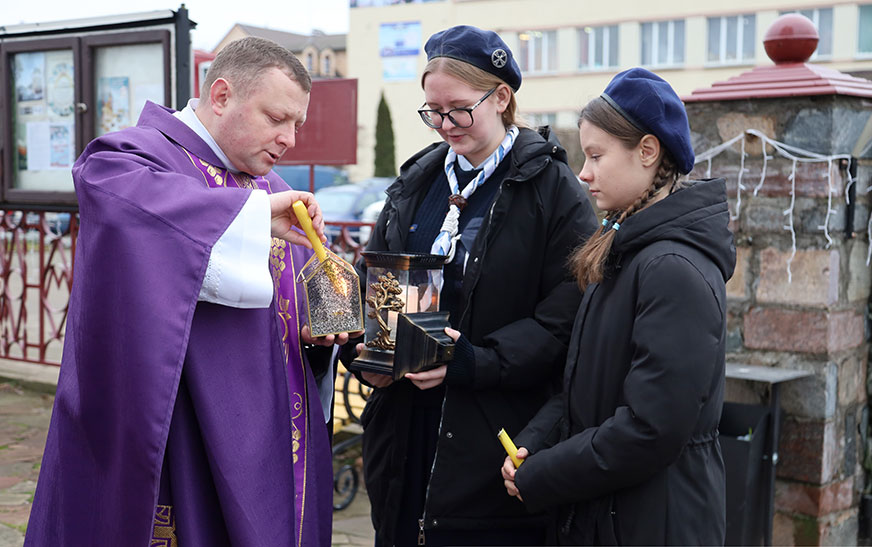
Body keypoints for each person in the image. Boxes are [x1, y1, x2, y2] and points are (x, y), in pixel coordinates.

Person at [25, 37, 347, 547]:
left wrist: (320, 336)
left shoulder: (269, 188)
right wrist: (252, 218)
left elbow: (291, 303)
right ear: (221, 96)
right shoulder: (128, 158)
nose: (289, 139)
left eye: (297, 125)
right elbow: (132, 222)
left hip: (268, 437)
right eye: (276, 118)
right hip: (180, 432)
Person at [342, 25, 598, 546]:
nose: (443, 125)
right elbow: (377, 284)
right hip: (404, 438)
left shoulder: (554, 191)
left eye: (457, 109)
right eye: (432, 111)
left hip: (491, 439)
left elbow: (566, 319)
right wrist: (368, 354)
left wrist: (473, 363)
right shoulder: (417, 182)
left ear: (502, 97)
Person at [501, 67, 735, 545]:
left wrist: (544, 475)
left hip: (655, 522)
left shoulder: (672, 269)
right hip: (611, 512)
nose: (583, 173)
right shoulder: (626, 250)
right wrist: (535, 442)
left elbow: (651, 429)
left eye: (596, 155)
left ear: (647, 151)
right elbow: (583, 390)